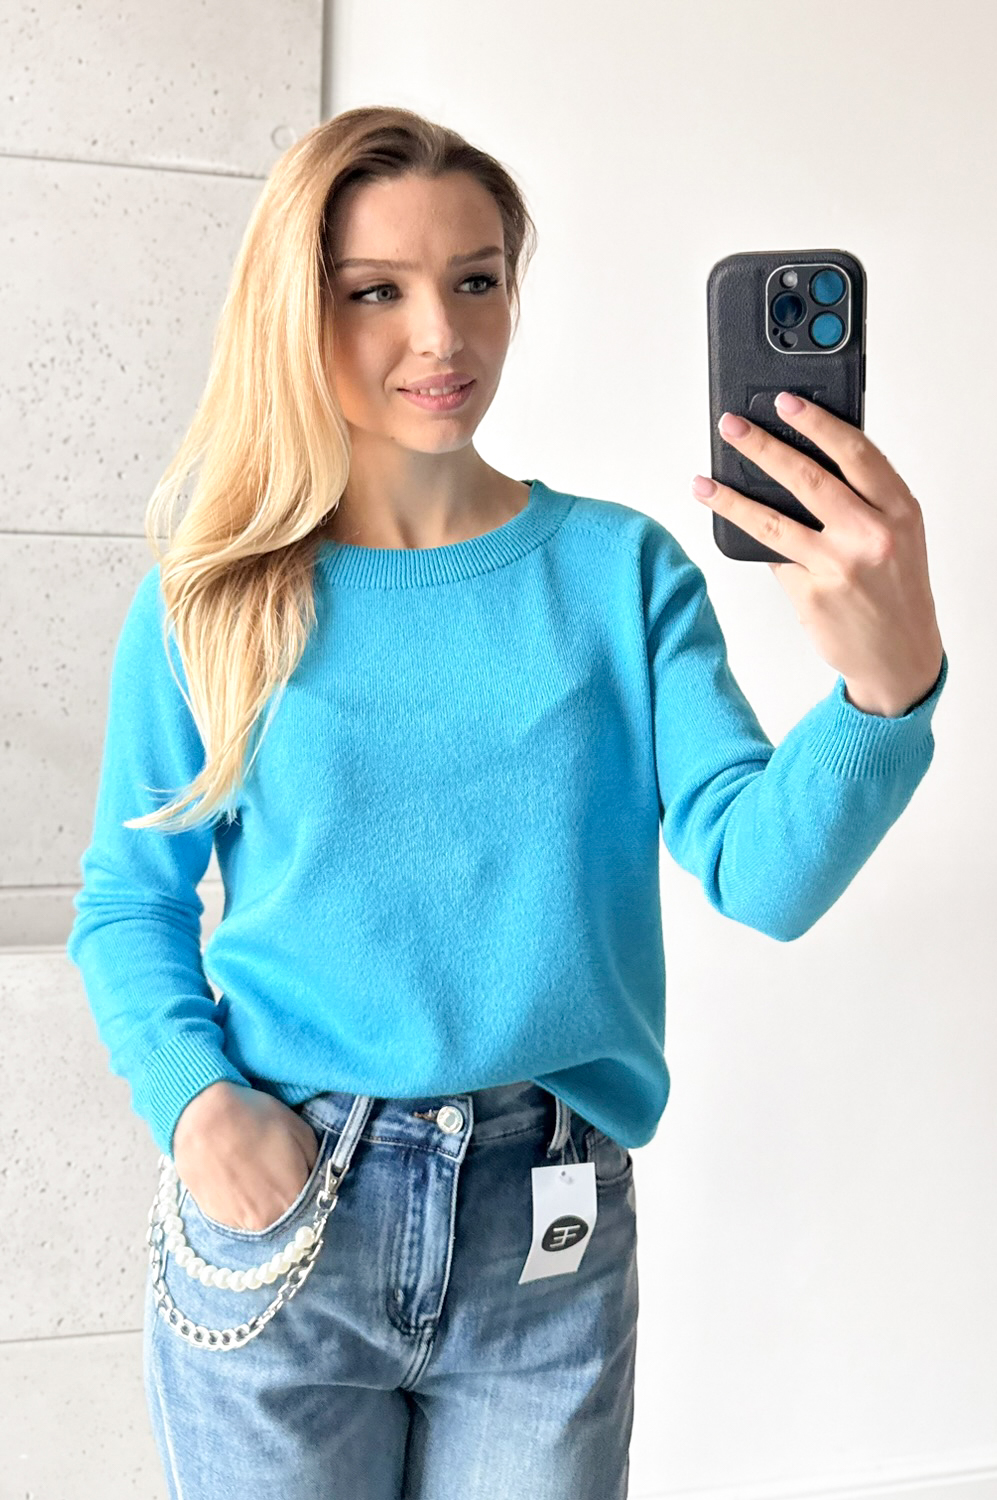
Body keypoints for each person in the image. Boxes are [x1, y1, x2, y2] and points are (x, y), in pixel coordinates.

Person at [66, 106, 947, 1500]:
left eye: (475, 279)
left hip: (547, 1224)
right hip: (287, 1208)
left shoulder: (618, 573)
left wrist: (884, 693)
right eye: (377, 291)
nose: (443, 336)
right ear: (296, 308)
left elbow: (763, 877)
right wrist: (197, 1106)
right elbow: (131, 903)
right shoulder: (213, 599)